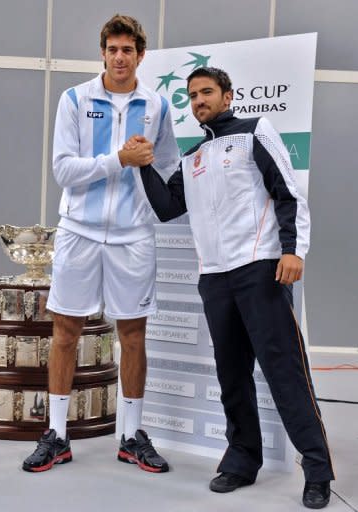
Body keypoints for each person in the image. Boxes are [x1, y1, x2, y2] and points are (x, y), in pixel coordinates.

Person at [128, 67, 334, 508]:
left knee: (284, 372)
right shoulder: (193, 156)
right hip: (215, 277)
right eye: (193, 96)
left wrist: (293, 251)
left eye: (207, 92)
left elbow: (288, 192)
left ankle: (317, 469)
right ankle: (242, 459)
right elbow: (167, 208)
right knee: (231, 376)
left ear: (227, 95)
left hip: (261, 268)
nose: (199, 100)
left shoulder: (254, 131)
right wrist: (146, 167)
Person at [22, 14, 179, 474]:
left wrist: (145, 174)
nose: (119, 57)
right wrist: (119, 159)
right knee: (65, 334)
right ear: (102, 53)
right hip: (80, 233)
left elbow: (167, 170)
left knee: (132, 336)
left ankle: (130, 437)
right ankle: (56, 435)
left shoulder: (157, 106)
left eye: (127, 49)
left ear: (140, 55)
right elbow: (63, 171)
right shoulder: (74, 99)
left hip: (133, 237)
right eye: (111, 49)